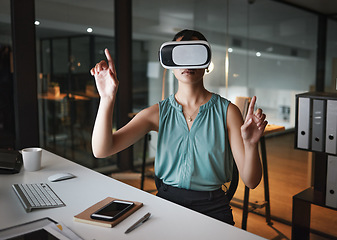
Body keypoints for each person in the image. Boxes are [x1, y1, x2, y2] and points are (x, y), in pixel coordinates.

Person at [90, 29, 267, 225]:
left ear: (207, 62)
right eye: (181, 55)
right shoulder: (158, 113)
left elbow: (251, 181)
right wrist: (107, 98)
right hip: (167, 204)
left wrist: (251, 145)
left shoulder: (228, 112)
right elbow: (102, 149)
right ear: (170, 63)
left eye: (195, 54)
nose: (188, 63)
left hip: (214, 209)